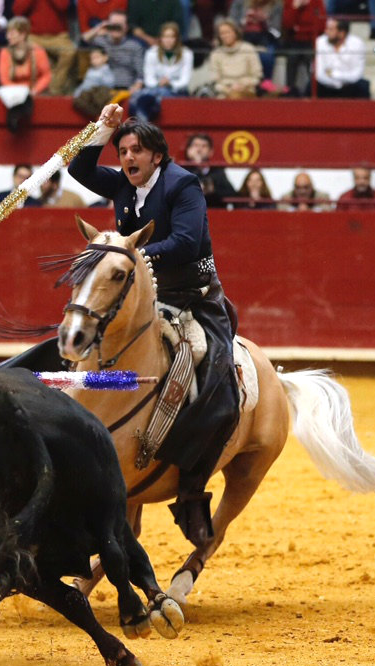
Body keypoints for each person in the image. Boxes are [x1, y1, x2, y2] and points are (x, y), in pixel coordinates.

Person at [68, 103, 241, 548]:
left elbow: (186, 241)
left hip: (195, 299)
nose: (127, 158)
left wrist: (129, 256)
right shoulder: (125, 184)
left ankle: (190, 492)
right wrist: (100, 130)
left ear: (156, 156)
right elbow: (79, 169)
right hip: (143, 299)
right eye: (122, 150)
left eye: (136, 150)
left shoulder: (183, 185)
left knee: (214, 383)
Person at [10, 0, 76, 95]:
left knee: (69, 51)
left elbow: (63, 6)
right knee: (23, 49)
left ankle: (54, 88)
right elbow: (17, 10)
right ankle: (30, 89)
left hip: (58, 36)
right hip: (33, 35)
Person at [130, 22, 192, 121]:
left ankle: (144, 120)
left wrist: (170, 83)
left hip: (177, 91)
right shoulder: (151, 52)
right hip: (155, 89)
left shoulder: (187, 53)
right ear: (160, 38)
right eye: (165, 36)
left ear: (177, 38)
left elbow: (185, 80)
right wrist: (159, 83)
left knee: (158, 94)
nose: (168, 40)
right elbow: (149, 78)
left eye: (172, 37)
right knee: (137, 96)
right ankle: (142, 120)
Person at [0, 16, 50, 130]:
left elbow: (46, 75)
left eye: (12, 33)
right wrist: (22, 92)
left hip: (34, 91)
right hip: (13, 92)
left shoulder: (37, 51)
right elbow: (4, 79)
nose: (8, 36)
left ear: (22, 34)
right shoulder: (5, 52)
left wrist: (35, 90)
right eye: (8, 33)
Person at [314, 18, 369, 98]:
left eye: (330, 29)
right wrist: (334, 83)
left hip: (349, 85)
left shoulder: (357, 44)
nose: (326, 32)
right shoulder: (320, 42)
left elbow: (357, 74)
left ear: (341, 33)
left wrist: (334, 74)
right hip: (326, 85)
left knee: (363, 86)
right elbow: (318, 73)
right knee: (311, 86)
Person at [92, 11, 146, 93]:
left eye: (120, 25)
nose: (116, 27)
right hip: (102, 88)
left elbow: (140, 75)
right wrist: (98, 29)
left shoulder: (135, 46)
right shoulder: (99, 41)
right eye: (114, 24)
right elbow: (81, 42)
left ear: (126, 27)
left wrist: (136, 87)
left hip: (126, 88)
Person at [229, 0, 282, 82]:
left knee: (266, 57)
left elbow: (277, 33)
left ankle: (265, 84)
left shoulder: (276, 5)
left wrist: (265, 21)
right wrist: (244, 21)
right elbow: (231, 24)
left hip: (266, 38)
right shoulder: (239, 2)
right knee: (241, 54)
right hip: (243, 37)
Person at [280, 0, 326, 95]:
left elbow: (321, 25)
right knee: (292, 58)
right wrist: (295, 8)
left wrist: (300, 29)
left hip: (312, 40)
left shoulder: (317, 2)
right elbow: (287, 24)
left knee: (311, 62)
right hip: (294, 40)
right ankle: (290, 91)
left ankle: (314, 92)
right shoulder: (290, 2)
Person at [209, 19, 262, 98]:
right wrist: (228, 89)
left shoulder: (248, 49)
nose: (225, 36)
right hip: (225, 92)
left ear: (235, 33)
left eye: (228, 32)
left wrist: (243, 85)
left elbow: (257, 76)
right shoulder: (216, 54)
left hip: (246, 89)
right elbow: (214, 81)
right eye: (222, 33)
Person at [183, 132, 235, 208]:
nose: (199, 150)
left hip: (213, 212)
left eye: (204, 146)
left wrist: (213, 190)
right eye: (196, 145)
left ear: (210, 152)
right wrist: (197, 165)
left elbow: (231, 193)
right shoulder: (182, 170)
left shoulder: (217, 171)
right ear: (188, 150)